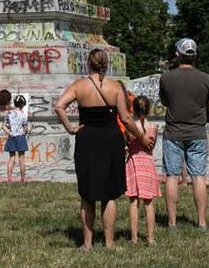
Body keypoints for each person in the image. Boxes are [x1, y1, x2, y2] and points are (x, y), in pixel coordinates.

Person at [56, 48, 147, 250]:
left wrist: (70, 128)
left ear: (88, 63)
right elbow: (125, 118)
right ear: (106, 64)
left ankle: (87, 244)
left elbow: (59, 106)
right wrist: (141, 136)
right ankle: (109, 243)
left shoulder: (79, 86)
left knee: (87, 194)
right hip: (110, 139)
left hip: (87, 139)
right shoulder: (115, 87)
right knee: (109, 194)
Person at [158, 37, 209, 231]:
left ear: (177, 55)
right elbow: (207, 102)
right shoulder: (206, 78)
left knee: (172, 176)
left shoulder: (166, 78)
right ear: (195, 55)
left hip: (173, 132)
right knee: (198, 176)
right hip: (197, 131)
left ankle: (172, 223)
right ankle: (201, 222)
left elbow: (165, 102)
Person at [124, 94, 159, 245]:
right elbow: (152, 146)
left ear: (134, 109)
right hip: (148, 163)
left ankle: (134, 238)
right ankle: (151, 238)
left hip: (133, 163)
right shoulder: (153, 128)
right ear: (148, 109)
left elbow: (127, 144)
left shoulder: (131, 129)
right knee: (149, 202)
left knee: (133, 201)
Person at [4, 94, 30, 183]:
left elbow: (3, 126)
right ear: (22, 105)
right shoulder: (23, 115)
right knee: (21, 159)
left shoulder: (9, 114)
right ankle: (22, 180)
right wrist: (24, 132)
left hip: (12, 137)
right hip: (20, 137)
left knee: (11, 159)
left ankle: (9, 179)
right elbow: (26, 128)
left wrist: (9, 133)